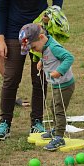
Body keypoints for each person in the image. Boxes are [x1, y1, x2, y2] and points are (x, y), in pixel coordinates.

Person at [0, 0, 63, 140]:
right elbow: (1, 7)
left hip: (39, 33)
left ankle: (37, 122)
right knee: (11, 77)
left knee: (39, 77)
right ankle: (4, 123)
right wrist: (1, 39)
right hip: (14, 32)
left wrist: (53, 14)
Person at [19, 23, 75, 151]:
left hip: (65, 85)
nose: (33, 50)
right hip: (57, 85)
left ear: (41, 37)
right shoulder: (45, 46)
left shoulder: (54, 47)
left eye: (33, 47)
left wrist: (59, 71)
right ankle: (56, 129)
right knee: (53, 107)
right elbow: (49, 57)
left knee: (59, 109)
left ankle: (59, 137)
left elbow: (69, 57)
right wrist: (41, 62)